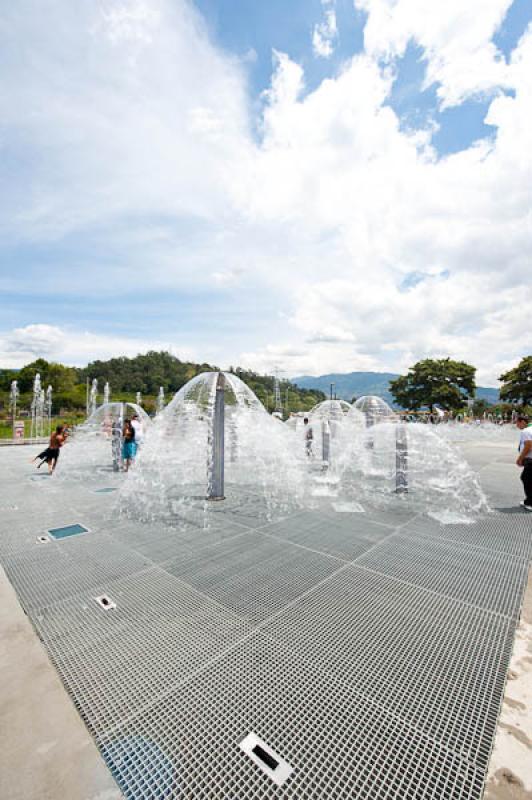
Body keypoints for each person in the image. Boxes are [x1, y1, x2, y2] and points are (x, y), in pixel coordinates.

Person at [516, 415, 532, 511]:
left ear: (522, 422)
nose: (516, 425)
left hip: (530, 460)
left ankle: (530, 502)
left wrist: (520, 458)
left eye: (517, 423)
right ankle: (528, 500)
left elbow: (528, 445)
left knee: (526, 478)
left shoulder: (526, 431)